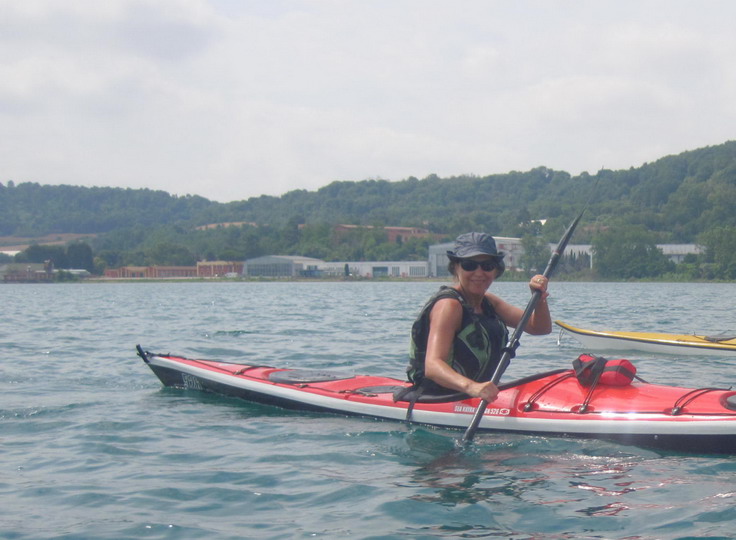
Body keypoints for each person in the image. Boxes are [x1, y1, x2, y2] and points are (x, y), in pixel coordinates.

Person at [405, 232, 551, 404]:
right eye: (469, 265)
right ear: (456, 267)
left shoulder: (489, 302)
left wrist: (539, 298)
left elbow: (539, 328)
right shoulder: (448, 306)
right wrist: (472, 387)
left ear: (496, 270)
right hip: (439, 397)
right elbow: (433, 366)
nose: (479, 273)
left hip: (477, 395)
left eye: (487, 266)